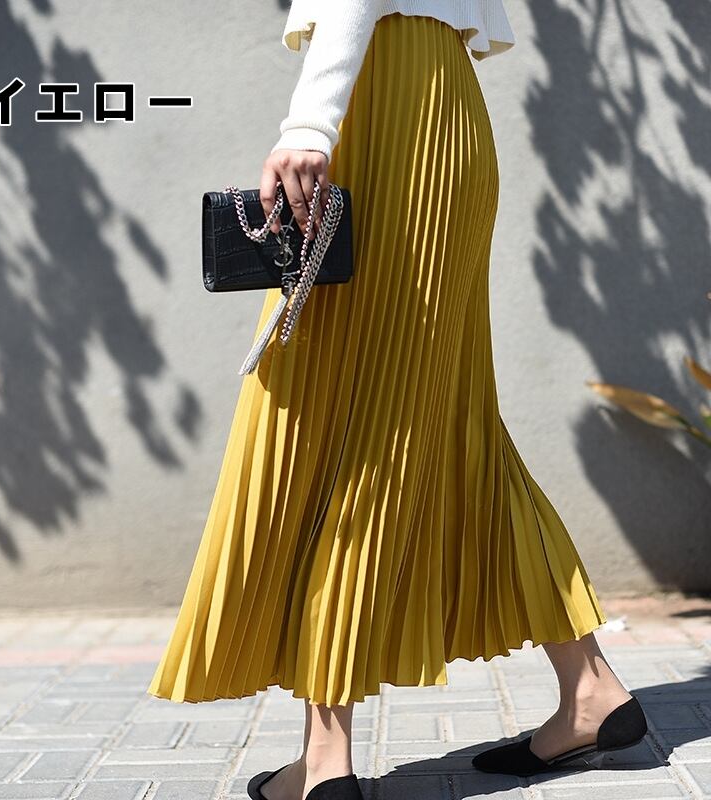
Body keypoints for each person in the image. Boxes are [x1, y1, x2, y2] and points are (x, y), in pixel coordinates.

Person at [148, 2, 649, 799]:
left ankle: (325, 763)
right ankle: (589, 689)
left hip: (384, 105)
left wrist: (310, 124)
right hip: (443, 107)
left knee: (339, 424)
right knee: (451, 428)